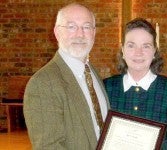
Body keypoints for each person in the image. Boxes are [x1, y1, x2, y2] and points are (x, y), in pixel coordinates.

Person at [23, 3, 110, 149]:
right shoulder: (43, 83)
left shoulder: (92, 73)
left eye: (86, 27)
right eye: (71, 27)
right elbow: (48, 146)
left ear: (94, 32)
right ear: (57, 32)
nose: (80, 34)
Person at [103, 18, 167, 150]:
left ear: (154, 51)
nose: (138, 52)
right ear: (122, 50)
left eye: (146, 46)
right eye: (131, 45)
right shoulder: (106, 88)